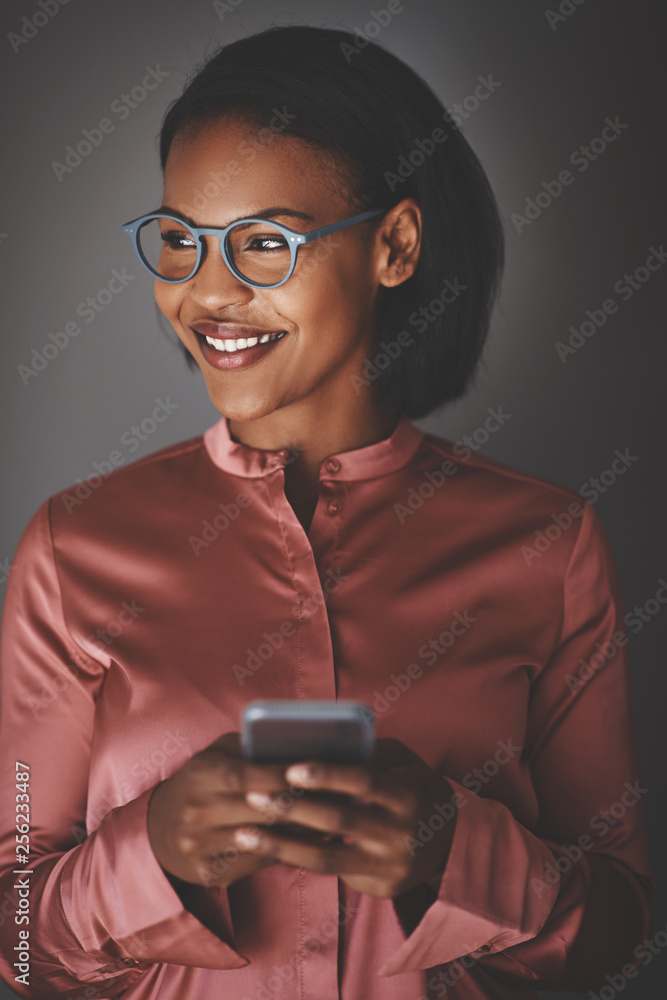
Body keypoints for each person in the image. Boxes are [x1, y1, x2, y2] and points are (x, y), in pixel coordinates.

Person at [0, 24, 652, 1000]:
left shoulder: (549, 545)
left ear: (393, 244)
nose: (205, 292)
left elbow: (620, 934)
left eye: (264, 242)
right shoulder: (72, 544)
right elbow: (15, 935)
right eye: (181, 239)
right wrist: (154, 851)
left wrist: (451, 852)